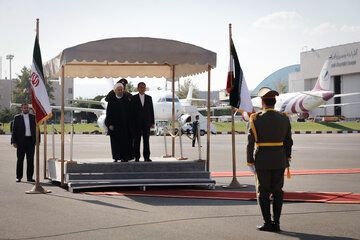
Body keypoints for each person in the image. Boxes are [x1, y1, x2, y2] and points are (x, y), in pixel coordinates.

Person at [247, 87, 293, 232]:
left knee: (264, 192)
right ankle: (277, 223)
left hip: (263, 161)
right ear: (274, 102)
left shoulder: (255, 118)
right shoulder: (284, 118)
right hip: (280, 160)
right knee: (278, 191)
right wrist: (288, 158)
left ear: (262, 102)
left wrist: (250, 162)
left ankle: (268, 222)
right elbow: (288, 141)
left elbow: (250, 143)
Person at [105, 83, 133, 162]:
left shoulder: (126, 100)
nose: (120, 91)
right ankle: (116, 157)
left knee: (125, 142)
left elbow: (130, 113)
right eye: (118, 90)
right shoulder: (111, 101)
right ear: (115, 91)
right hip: (115, 127)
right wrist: (109, 124)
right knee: (115, 143)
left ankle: (125, 157)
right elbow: (109, 114)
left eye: (121, 90)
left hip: (125, 126)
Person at [11, 103, 37, 182]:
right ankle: (19, 177)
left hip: (30, 141)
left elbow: (37, 129)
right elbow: (14, 130)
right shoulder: (17, 118)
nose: (26, 109)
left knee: (30, 160)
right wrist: (14, 141)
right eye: (24, 108)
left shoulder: (33, 117)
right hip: (20, 142)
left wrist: (38, 140)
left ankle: (29, 177)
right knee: (20, 160)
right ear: (21, 109)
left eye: (27, 108)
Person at [131, 82, 154, 162]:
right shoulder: (133, 98)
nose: (142, 89)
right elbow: (131, 112)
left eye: (144, 87)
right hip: (136, 124)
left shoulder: (149, 98)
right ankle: (136, 157)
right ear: (138, 88)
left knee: (146, 141)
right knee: (136, 141)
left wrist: (152, 123)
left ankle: (146, 157)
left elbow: (151, 111)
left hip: (146, 123)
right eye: (141, 87)